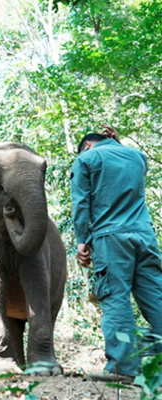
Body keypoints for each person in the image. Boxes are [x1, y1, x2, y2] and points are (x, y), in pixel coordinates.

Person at [71, 131, 162, 380]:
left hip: (111, 238)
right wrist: (118, 143)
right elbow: (126, 175)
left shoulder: (86, 160)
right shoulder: (137, 157)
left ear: (87, 145)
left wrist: (81, 240)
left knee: (114, 297)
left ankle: (122, 369)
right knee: (156, 298)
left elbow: (81, 203)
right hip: (145, 237)